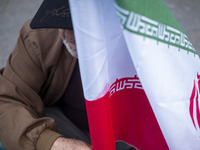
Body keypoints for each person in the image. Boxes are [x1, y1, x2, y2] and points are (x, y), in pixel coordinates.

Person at [0, 0, 135, 149]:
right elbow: (7, 100)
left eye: (81, 27)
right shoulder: (38, 37)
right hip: (66, 126)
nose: (70, 38)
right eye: (62, 23)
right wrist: (53, 143)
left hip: (130, 132)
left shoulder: (143, 41)